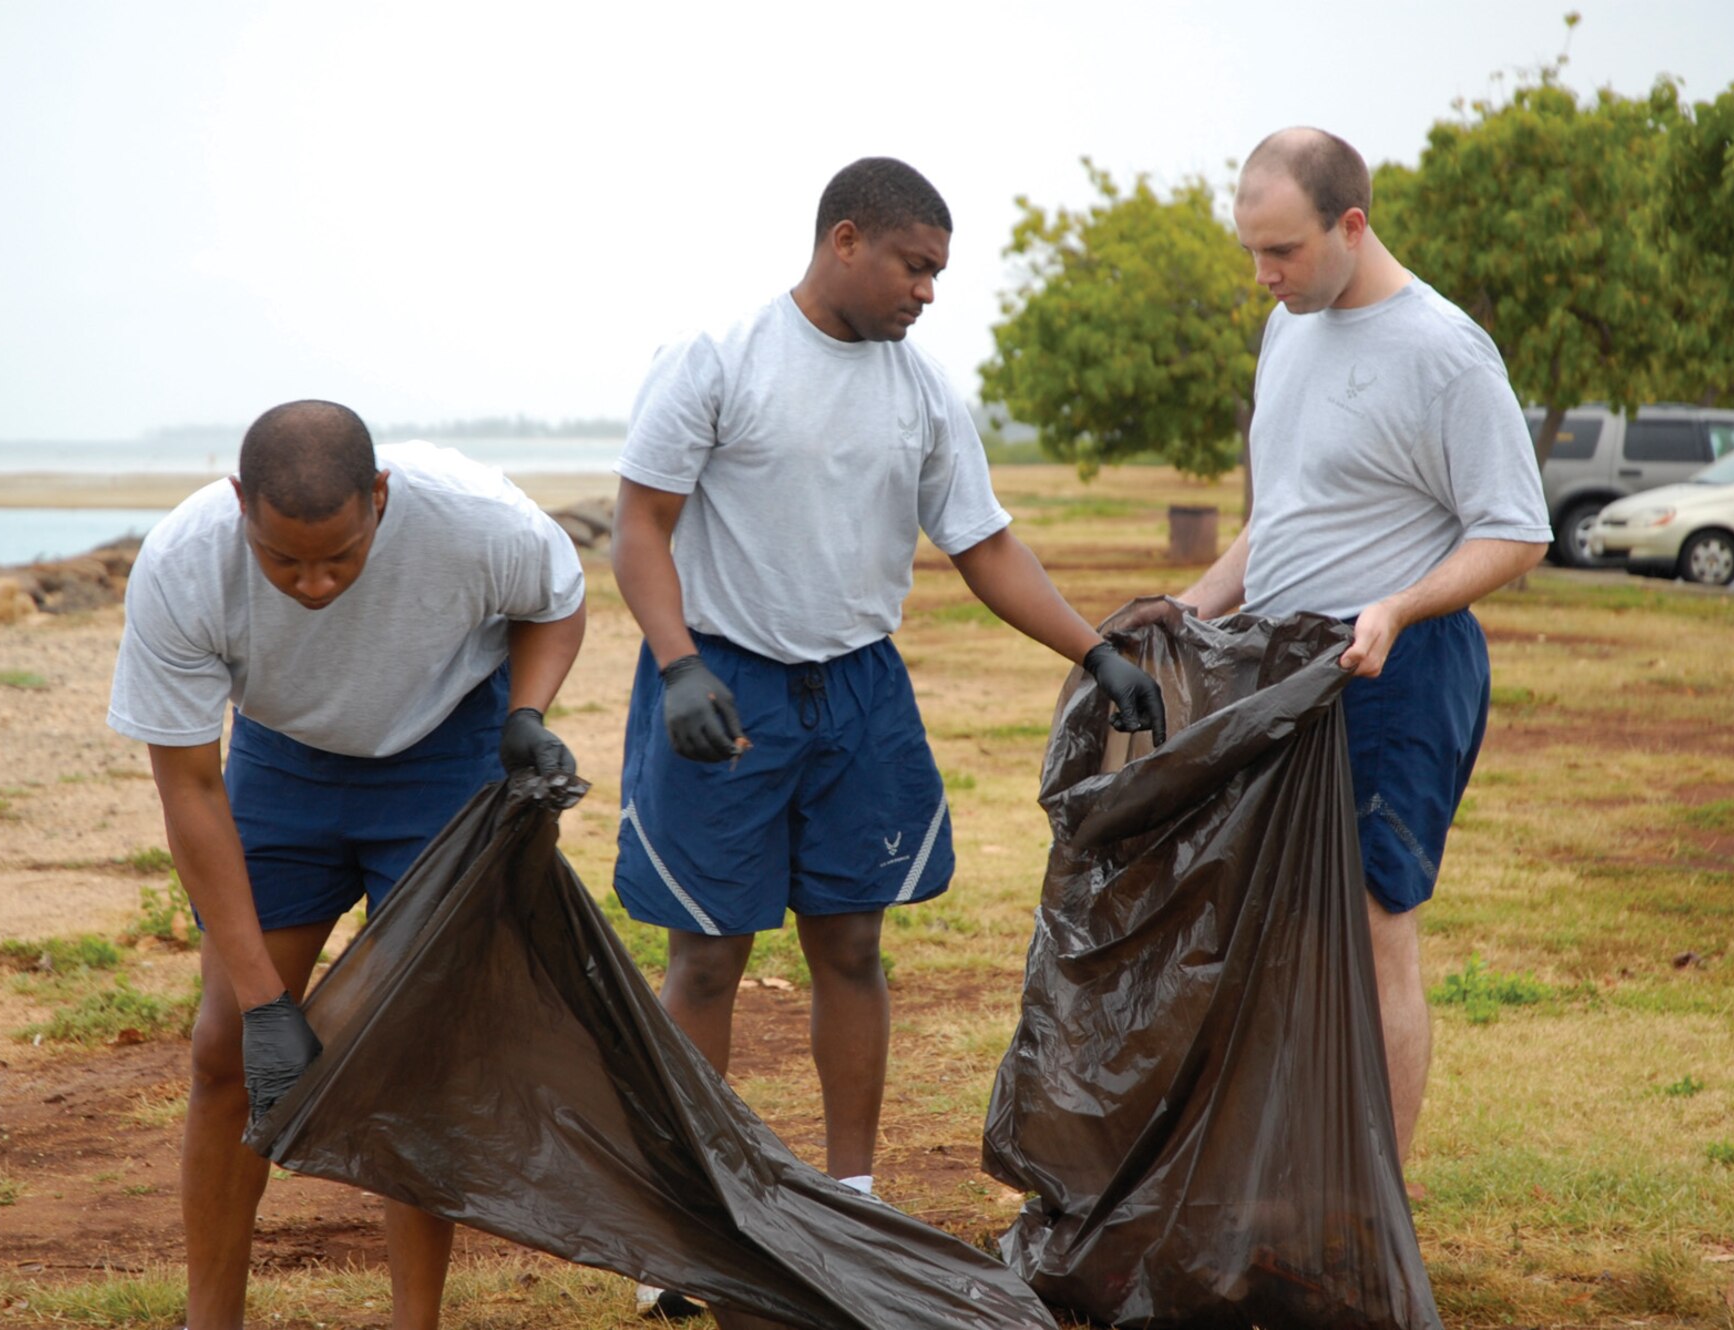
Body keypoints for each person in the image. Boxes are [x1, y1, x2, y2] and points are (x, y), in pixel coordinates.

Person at [610, 157, 1165, 1319]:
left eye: (936, 274)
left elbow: (982, 545)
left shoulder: (917, 391)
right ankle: (691, 1219)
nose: (926, 292)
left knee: (850, 946)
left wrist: (1091, 647)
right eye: (914, 267)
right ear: (845, 239)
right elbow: (641, 527)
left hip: (856, 692)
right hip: (726, 685)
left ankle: (849, 1192)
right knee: (705, 956)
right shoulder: (719, 357)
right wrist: (677, 667)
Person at [106, 399, 586, 1330]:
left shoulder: (479, 520)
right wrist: (265, 1005)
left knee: (416, 1055)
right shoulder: (182, 563)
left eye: (341, 557)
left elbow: (557, 604)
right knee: (225, 1052)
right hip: (282, 762)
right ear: (239, 502)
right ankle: (213, 1319)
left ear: (380, 496)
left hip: (444, 751)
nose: (316, 585)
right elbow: (192, 793)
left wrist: (526, 714)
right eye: (283, 560)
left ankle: (416, 1321)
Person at [1171, 128, 1551, 1168]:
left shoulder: (1441, 350)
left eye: (1282, 251)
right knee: (1279, 928)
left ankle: (1364, 1210)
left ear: (1351, 225)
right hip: (1282, 671)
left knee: (1373, 928)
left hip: (1396, 670)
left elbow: (1515, 530)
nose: (1263, 276)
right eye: (1251, 250)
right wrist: (1192, 603)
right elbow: (1288, 511)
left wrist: (1394, 604)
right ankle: (1288, 1173)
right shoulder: (1287, 329)